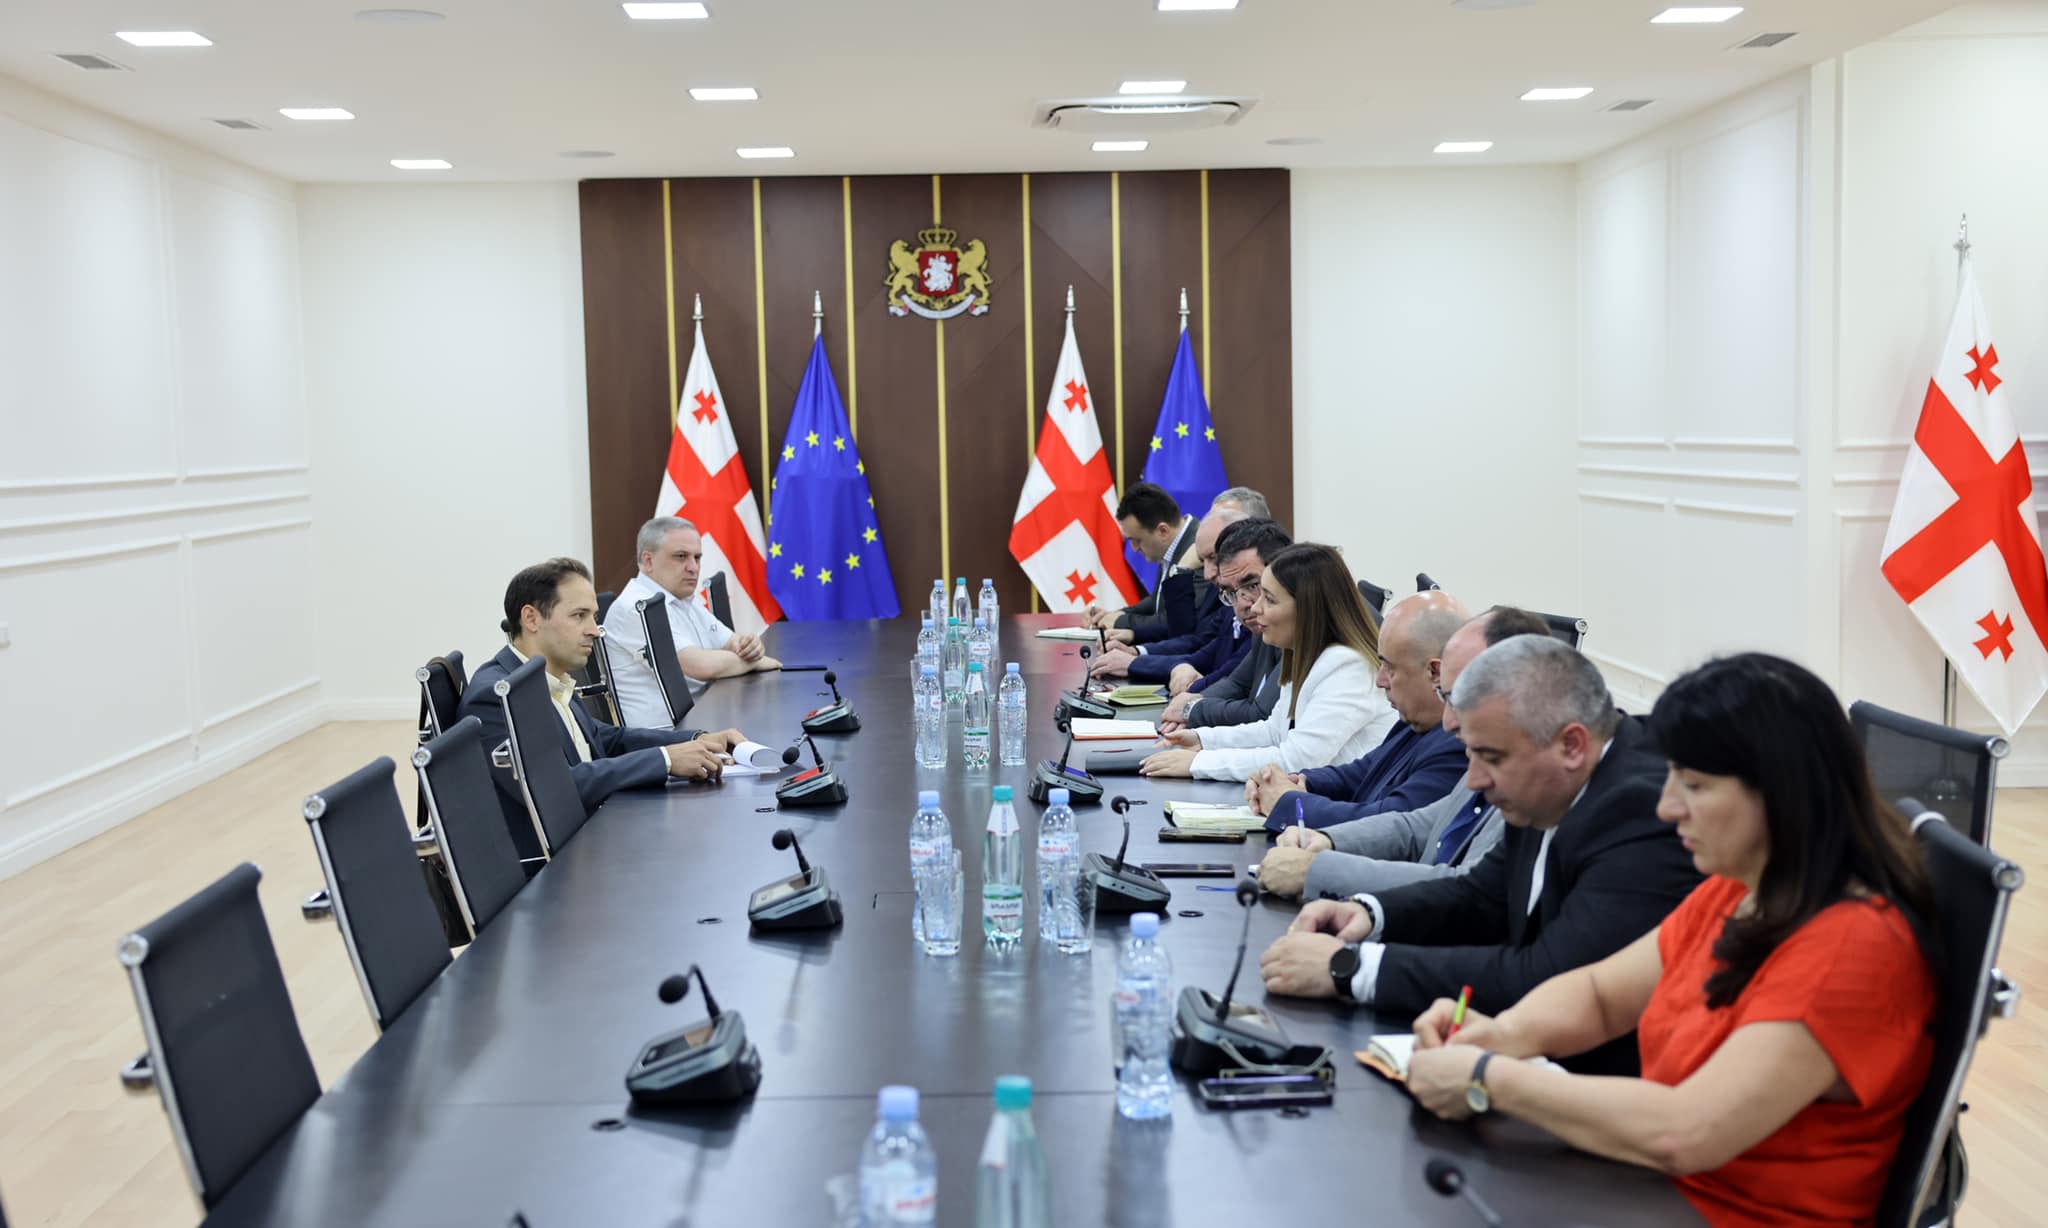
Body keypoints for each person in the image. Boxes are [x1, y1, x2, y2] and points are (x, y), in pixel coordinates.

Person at [1403, 654, 1937, 1228]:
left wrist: (1488, 1078)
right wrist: (1501, 1035)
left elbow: (1688, 1131)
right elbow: (1601, 996)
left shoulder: (1852, 946)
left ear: (1781, 792)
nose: (1667, 806)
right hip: (1654, 1192)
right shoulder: (1739, 889)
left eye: (1695, 785)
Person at [1256, 635, 1701, 1074]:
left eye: (1491, 757)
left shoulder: (1641, 808)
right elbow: (1484, 893)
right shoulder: (1549, 776)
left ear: (1572, 745)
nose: (1474, 781)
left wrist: (1352, 969)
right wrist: (1369, 913)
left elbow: (1550, 975)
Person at [1252, 605, 1552, 900]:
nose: (1449, 720)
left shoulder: (1511, 774)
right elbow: (1416, 825)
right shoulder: (1438, 730)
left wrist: (1317, 870)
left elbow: (1470, 887)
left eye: (1458, 698)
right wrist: (1327, 839)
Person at [460, 557, 744, 864]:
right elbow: (552, 788)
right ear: (531, 618)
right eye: (579, 616)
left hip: (592, 835)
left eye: (593, 617)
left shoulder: (546, 675)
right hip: (560, 866)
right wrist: (664, 760)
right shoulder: (498, 695)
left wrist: (695, 740)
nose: (595, 630)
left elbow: (602, 739)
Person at [1138, 543, 1395, 781]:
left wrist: (1199, 763)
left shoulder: (1348, 666)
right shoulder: (1306, 653)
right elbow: (1274, 731)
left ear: (1308, 608)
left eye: (1269, 599)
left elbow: (1297, 760)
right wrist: (1202, 739)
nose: (1256, 608)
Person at [1245, 590, 1471, 833]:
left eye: (1390, 668)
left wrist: (1287, 802)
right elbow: (1360, 773)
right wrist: (1295, 782)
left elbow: (1386, 823)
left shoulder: (1458, 744)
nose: (1380, 681)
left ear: (1435, 673)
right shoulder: (1417, 721)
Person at [604, 517, 780, 728]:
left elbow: (733, 642)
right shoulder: (637, 606)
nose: (693, 567)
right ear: (648, 561)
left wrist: (751, 646)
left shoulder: (682, 598)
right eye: (681, 557)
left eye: (697, 557)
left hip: (699, 719)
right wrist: (757, 661)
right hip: (663, 736)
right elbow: (701, 666)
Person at [1156, 519, 1293, 735]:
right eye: (1231, 593)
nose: (1243, 605)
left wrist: (1192, 710)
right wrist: (1193, 700)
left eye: (1252, 585)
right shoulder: (1263, 623)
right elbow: (1237, 683)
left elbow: (1261, 714)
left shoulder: (1303, 630)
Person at [1089, 504, 1245, 679]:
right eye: (1203, 560)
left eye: (1213, 558)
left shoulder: (1246, 605)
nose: (1208, 574)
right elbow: (1199, 642)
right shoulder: (1229, 599)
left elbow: (1185, 632)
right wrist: (1136, 650)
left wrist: (1133, 659)